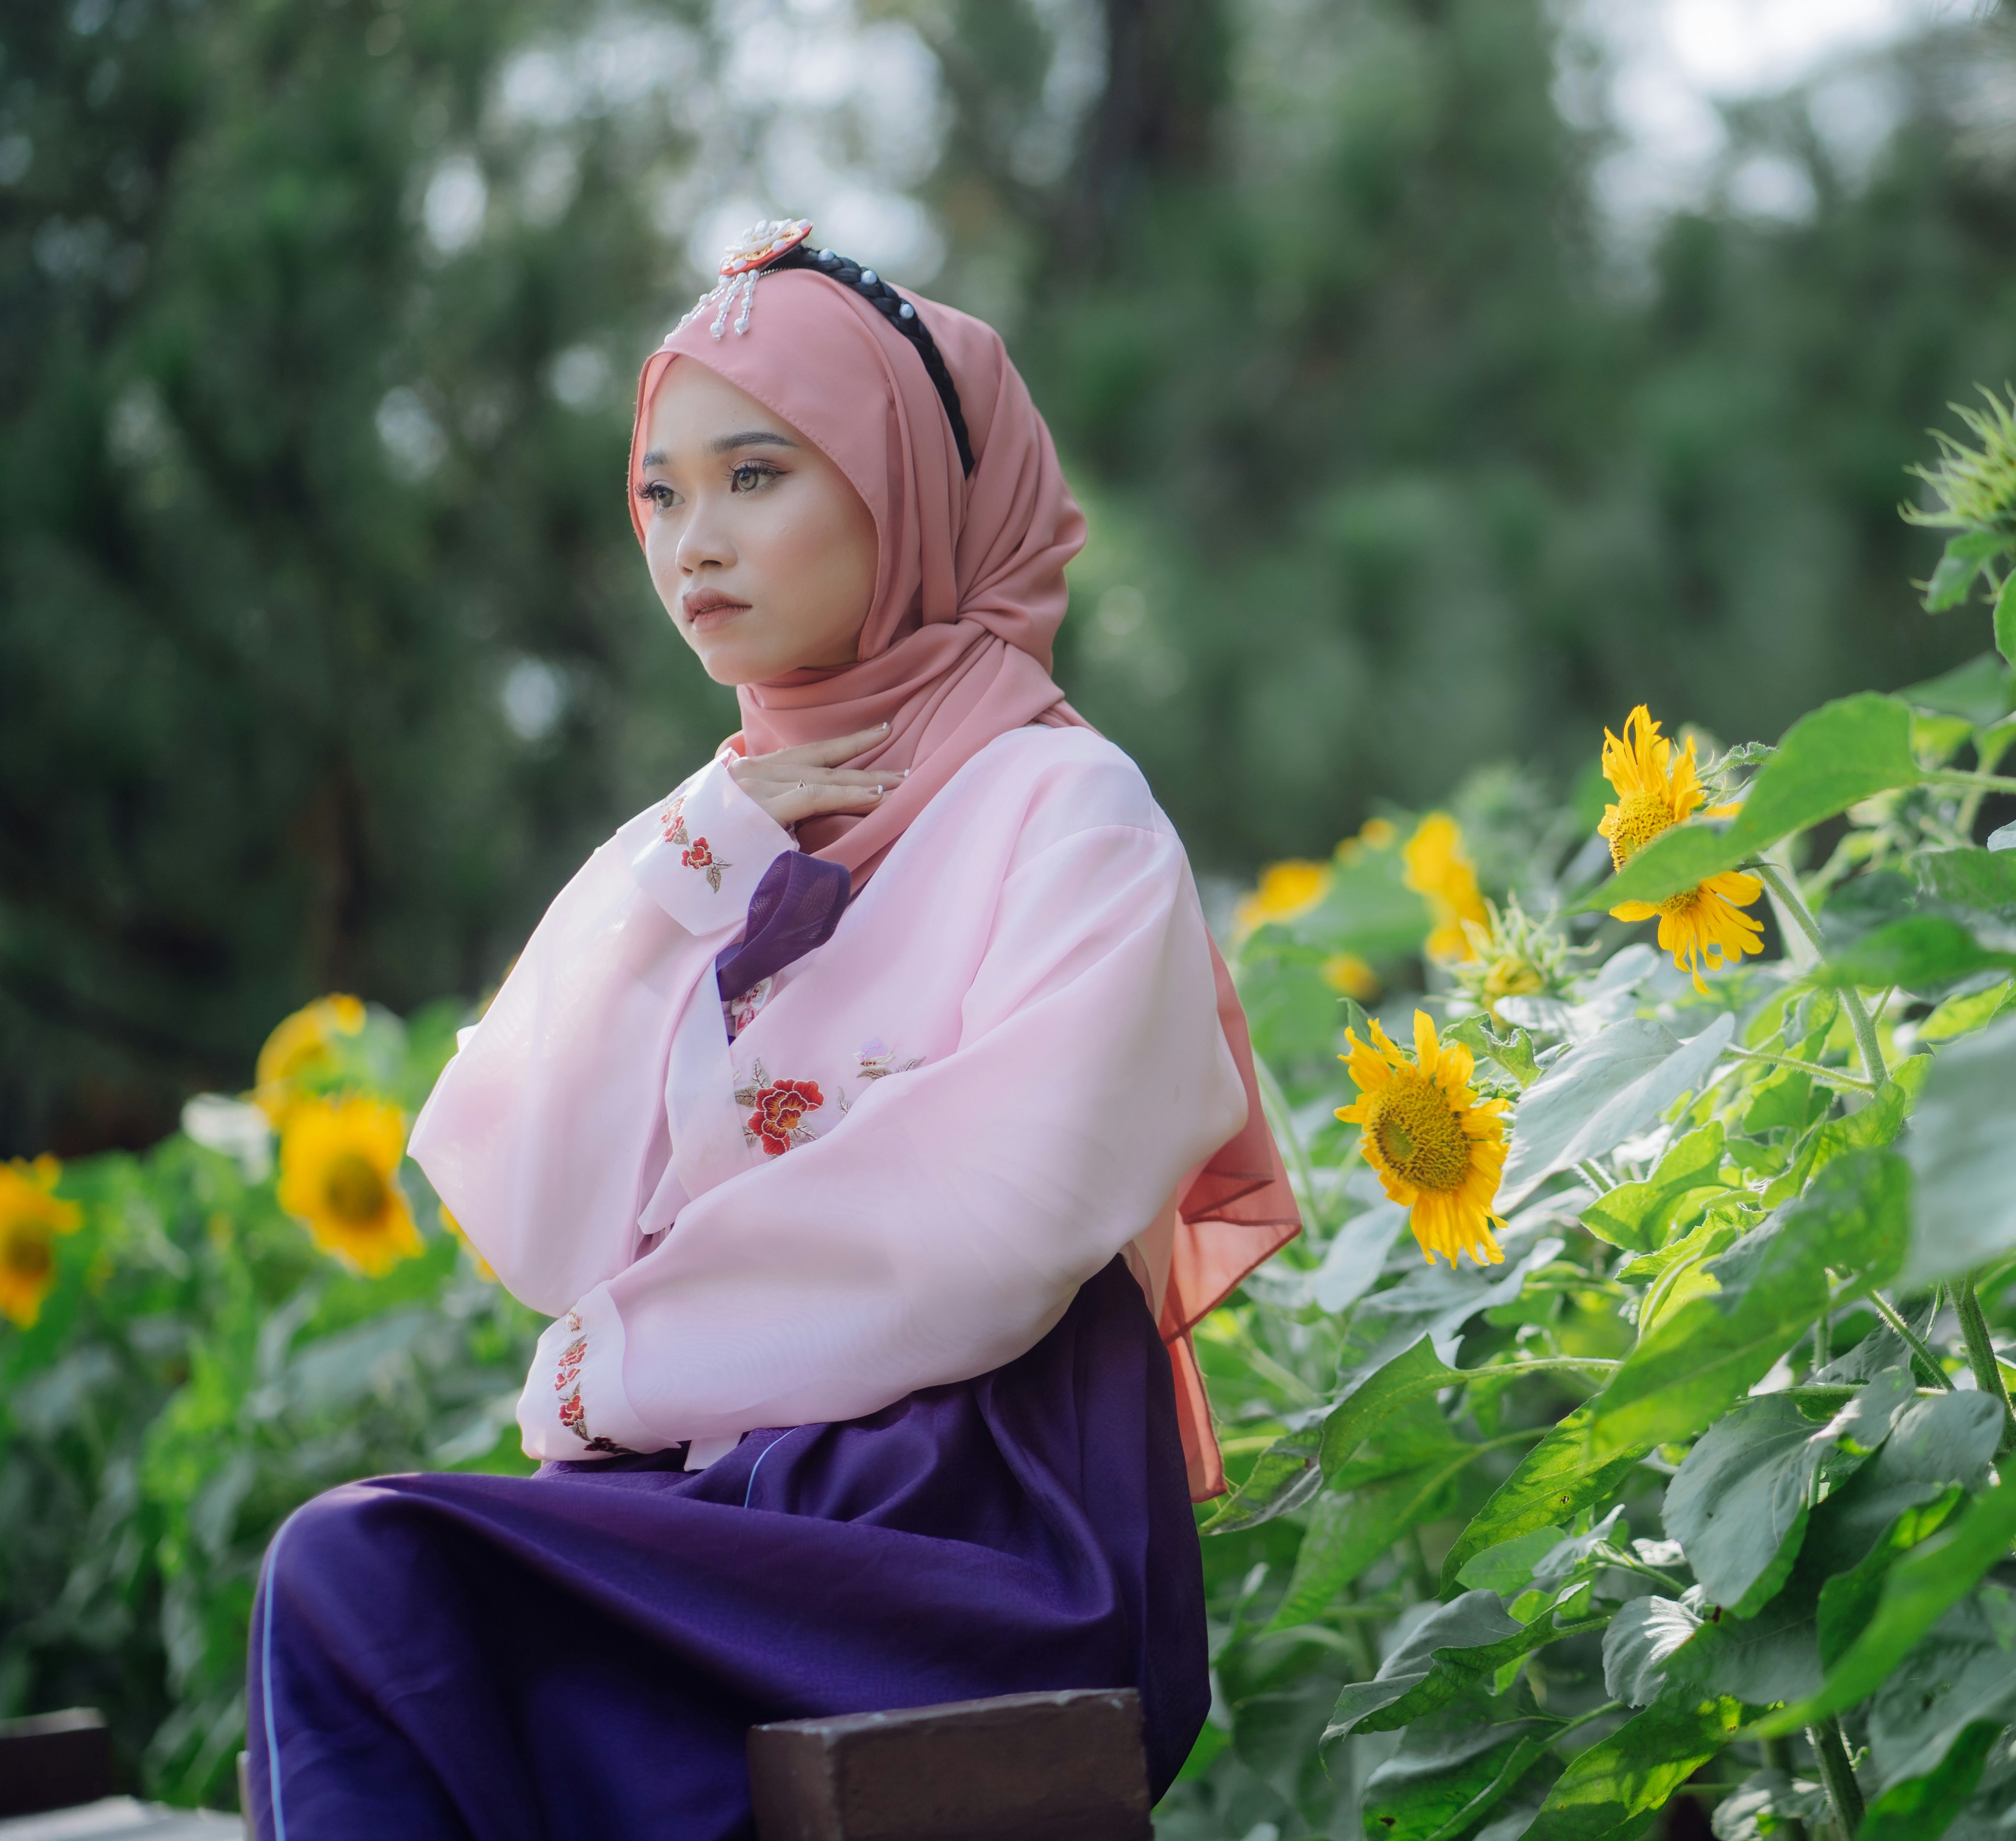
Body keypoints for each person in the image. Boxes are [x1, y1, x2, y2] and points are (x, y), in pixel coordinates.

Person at [244, 220, 1299, 1840]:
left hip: (974, 1540)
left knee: (364, 1576)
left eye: (756, 476)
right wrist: (685, 868)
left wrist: (622, 1362)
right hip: (725, 1521)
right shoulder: (715, 839)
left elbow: (996, 1224)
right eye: (661, 496)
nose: (696, 543)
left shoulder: (1065, 808)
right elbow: (540, 1217)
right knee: (382, 1632)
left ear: (907, 492)